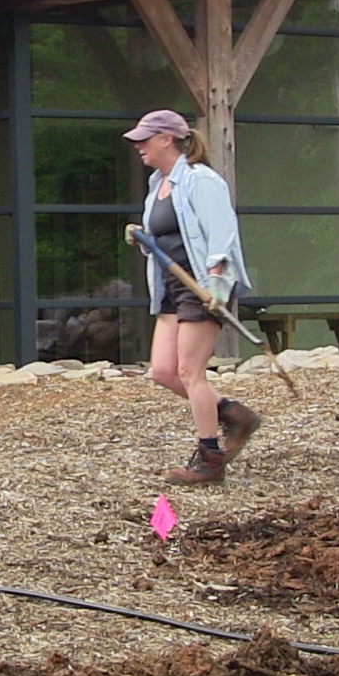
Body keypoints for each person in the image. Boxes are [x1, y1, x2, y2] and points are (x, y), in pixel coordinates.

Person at [126, 109, 261, 485]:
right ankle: (234, 415)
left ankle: (209, 460)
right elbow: (166, 238)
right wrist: (142, 239)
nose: (139, 146)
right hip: (171, 286)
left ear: (167, 139)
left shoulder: (202, 181)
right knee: (164, 372)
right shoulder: (158, 184)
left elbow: (221, 232)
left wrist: (217, 279)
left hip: (203, 286)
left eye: (145, 139)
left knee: (190, 373)